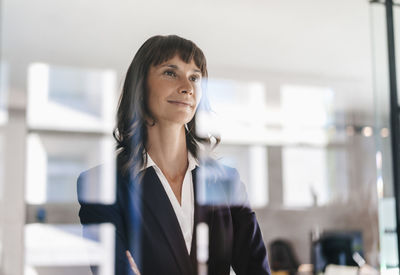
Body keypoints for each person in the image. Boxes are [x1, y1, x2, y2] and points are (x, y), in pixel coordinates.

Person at [77, 34, 270, 275]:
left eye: (194, 77)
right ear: (141, 84)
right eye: (170, 72)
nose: (187, 87)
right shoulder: (100, 184)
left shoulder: (226, 182)